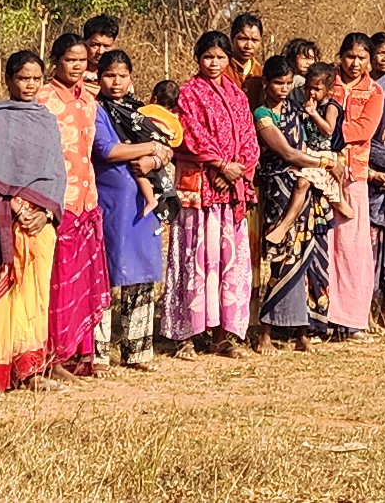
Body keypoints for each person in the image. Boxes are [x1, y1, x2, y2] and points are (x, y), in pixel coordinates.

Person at [0, 52, 69, 393]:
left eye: (36, 78)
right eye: (23, 78)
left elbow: (58, 172)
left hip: (40, 225)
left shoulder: (47, 120)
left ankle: (29, 371)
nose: (29, 85)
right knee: (0, 296)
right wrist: (8, 204)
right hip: (4, 222)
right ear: (9, 80)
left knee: (35, 295)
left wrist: (44, 212)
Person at [168, 32, 260, 357]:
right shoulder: (188, 93)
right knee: (196, 257)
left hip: (229, 191)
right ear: (198, 59)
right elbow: (189, 133)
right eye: (208, 57)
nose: (214, 63)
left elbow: (249, 137)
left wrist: (236, 170)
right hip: (201, 190)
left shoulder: (237, 95)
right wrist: (220, 166)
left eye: (220, 57)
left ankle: (224, 335)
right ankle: (188, 335)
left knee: (227, 263)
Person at [250, 56, 347, 346]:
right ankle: (266, 331)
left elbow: (309, 142)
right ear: (266, 83)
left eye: (288, 83)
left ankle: (303, 330)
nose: (284, 88)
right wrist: (325, 163)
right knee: (282, 257)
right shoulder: (263, 115)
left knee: (307, 256)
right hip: (278, 184)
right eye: (278, 83)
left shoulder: (295, 109)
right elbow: (288, 153)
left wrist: (320, 164)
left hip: (303, 182)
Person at [92, 46, 174, 368]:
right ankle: (97, 353)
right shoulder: (96, 110)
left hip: (143, 204)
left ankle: (137, 351)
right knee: (106, 273)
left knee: (141, 275)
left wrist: (155, 155)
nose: (116, 82)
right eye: (109, 75)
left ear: (131, 78)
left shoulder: (138, 112)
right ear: (99, 78)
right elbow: (107, 150)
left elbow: (167, 150)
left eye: (122, 76)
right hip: (112, 202)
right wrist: (152, 146)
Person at [38, 35, 110, 378]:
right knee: (59, 281)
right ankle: (53, 357)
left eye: (82, 60)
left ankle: (81, 356)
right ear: (56, 61)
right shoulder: (42, 99)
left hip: (87, 200)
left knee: (82, 281)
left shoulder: (89, 101)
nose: (78, 66)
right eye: (70, 59)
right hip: (59, 202)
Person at [321, 36, 381, 337]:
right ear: (340, 56)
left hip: (354, 175)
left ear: (368, 60)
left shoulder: (374, 91)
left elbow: (364, 129)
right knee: (324, 245)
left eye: (361, 58)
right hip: (320, 173)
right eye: (349, 57)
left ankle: (354, 318)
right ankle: (323, 316)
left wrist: (326, 131)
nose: (354, 64)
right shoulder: (325, 82)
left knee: (353, 248)